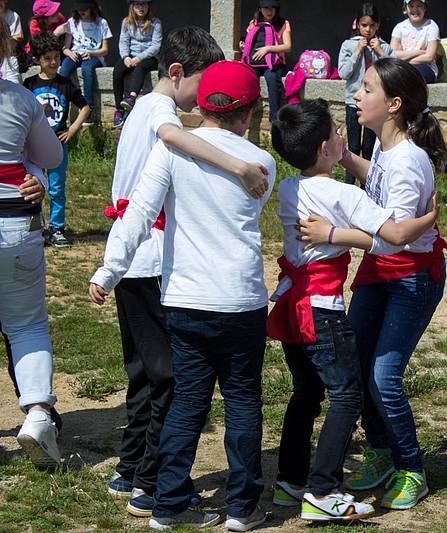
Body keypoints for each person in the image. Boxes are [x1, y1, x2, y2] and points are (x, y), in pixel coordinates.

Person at [90, 59, 277, 531]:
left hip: (186, 299)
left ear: (201, 106)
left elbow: (136, 214)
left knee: (187, 403)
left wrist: (109, 271)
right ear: (250, 112)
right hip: (240, 299)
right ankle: (243, 507)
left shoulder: (169, 152)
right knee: (242, 402)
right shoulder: (262, 163)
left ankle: (169, 503)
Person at [268, 98, 439, 522]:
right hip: (322, 311)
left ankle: (291, 481)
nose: (341, 133)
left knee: (306, 393)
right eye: (335, 131)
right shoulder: (344, 195)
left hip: (291, 305)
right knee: (346, 396)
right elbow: (393, 237)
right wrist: (428, 218)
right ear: (324, 147)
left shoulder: (288, 189)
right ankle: (323, 490)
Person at [302, 57, 447, 510]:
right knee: (358, 362)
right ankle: (381, 451)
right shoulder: (389, 148)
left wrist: (332, 234)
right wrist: (347, 158)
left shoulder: (408, 160)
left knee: (384, 377)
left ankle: (411, 468)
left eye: (368, 89)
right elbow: (379, 184)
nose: (357, 95)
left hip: (411, 277)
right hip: (380, 272)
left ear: (394, 104)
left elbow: (394, 239)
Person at [0, 29, 64, 469]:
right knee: (26, 324)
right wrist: (33, 173)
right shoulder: (21, 100)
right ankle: (39, 413)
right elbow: (52, 157)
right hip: (14, 222)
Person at [24, 31, 91, 247]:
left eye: (56, 57)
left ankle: (56, 228)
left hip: (57, 146)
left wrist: (72, 129)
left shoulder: (65, 83)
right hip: (33, 146)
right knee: (33, 187)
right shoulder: (29, 84)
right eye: (48, 58)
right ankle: (34, 228)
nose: (53, 62)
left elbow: (85, 107)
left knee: (56, 189)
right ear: (37, 59)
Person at [338, 2, 393, 185]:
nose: (368, 30)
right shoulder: (348, 45)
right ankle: (349, 183)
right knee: (353, 145)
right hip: (353, 101)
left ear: (378, 26)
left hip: (375, 103)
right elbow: (343, 73)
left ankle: (367, 184)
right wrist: (357, 52)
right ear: (357, 24)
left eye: (372, 25)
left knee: (369, 146)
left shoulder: (384, 47)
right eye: (364, 25)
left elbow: (394, 72)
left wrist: (380, 52)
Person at [112, 0, 162, 128]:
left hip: (149, 57)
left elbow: (155, 46)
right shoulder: (126, 22)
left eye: (144, 4)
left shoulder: (155, 23)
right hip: (130, 56)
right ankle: (119, 109)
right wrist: (125, 57)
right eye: (137, 5)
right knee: (117, 71)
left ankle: (131, 97)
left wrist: (139, 58)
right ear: (132, 7)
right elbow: (123, 42)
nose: (141, 8)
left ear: (148, 6)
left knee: (141, 68)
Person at [58, 0, 111, 118]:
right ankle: (61, 102)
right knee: (64, 70)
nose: (81, 12)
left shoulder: (102, 23)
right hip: (75, 53)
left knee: (87, 69)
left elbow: (105, 50)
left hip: (94, 55)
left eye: (84, 9)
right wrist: (69, 53)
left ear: (91, 7)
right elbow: (65, 47)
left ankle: (88, 107)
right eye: (79, 9)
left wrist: (91, 53)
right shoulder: (72, 22)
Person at [244, 0, 291, 123]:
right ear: (260, 9)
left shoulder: (283, 23)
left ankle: (275, 121)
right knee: (248, 78)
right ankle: (245, 115)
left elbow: (288, 46)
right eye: (266, 8)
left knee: (272, 78)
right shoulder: (254, 23)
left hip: (275, 62)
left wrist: (268, 48)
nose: (269, 11)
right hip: (256, 62)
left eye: (272, 8)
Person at [390, 0, 439, 83]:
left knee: (407, 75)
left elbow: (429, 57)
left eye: (419, 6)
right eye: (411, 6)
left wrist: (405, 61)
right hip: (402, 67)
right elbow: (393, 54)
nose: (415, 10)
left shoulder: (431, 26)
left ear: (425, 8)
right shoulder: (399, 27)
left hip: (426, 68)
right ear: (405, 8)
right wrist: (419, 52)